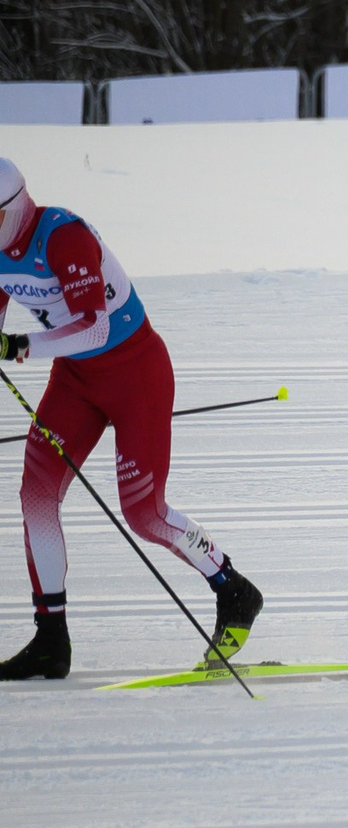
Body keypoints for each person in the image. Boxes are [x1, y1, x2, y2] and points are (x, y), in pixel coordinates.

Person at [0, 158, 260, 678]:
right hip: (76, 383)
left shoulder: (63, 237)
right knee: (36, 493)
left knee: (144, 515)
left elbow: (95, 330)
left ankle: (233, 588)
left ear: (13, 207)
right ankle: (51, 638)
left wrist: (19, 346)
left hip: (135, 374)